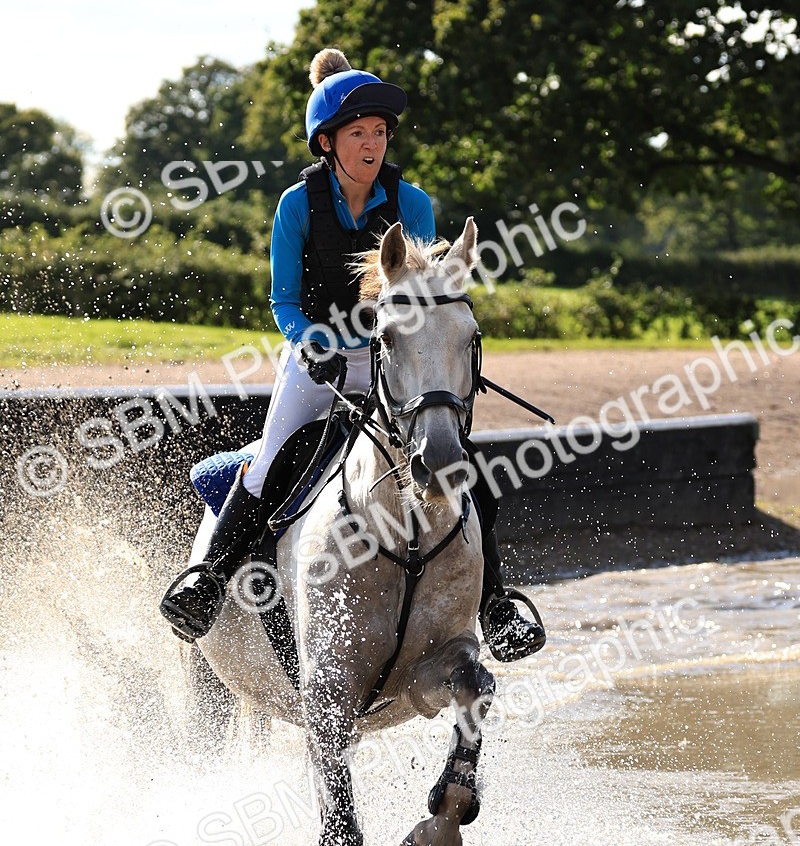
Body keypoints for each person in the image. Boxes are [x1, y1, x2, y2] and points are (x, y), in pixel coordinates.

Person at [159, 47, 545, 662]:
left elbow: (425, 296)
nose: (373, 145)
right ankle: (206, 580)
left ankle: (495, 605)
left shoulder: (410, 203)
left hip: (394, 358)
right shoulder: (296, 205)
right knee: (269, 463)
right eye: (359, 133)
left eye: (381, 133)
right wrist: (314, 345)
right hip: (317, 361)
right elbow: (283, 301)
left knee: (459, 462)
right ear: (327, 143)